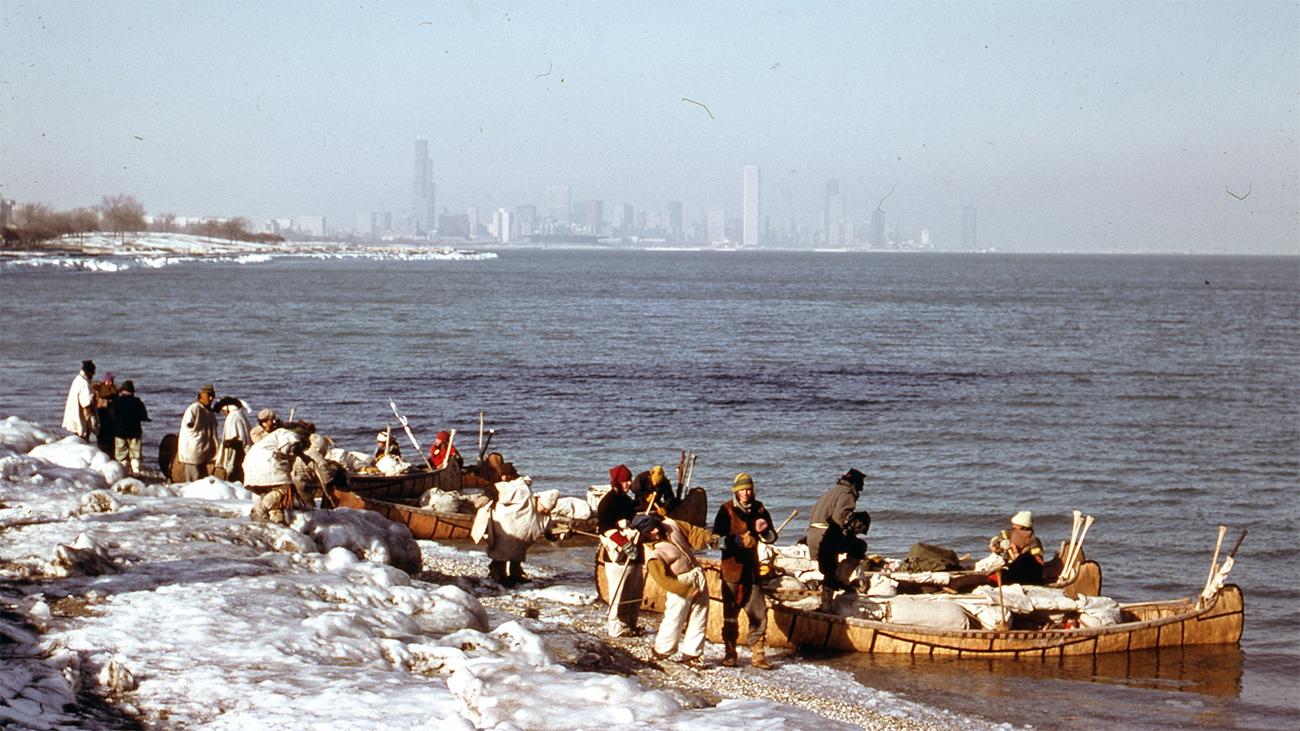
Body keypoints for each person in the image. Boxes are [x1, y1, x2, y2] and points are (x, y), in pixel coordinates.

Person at [712, 471, 777, 669]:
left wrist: (764, 530)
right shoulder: (726, 510)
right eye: (742, 489)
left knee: (759, 613)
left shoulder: (759, 509)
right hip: (731, 571)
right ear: (736, 491)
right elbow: (714, 541)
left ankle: (758, 655)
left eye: (749, 489)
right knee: (730, 614)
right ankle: (730, 653)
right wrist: (736, 541)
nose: (746, 493)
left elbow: (772, 537)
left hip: (753, 572)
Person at [644, 515, 707, 667]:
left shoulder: (671, 526)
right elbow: (663, 580)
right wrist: (685, 590)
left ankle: (692, 654)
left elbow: (693, 533)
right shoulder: (653, 554)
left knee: (700, 615)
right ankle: (662, 651)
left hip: (697, 574)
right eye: (649, 531)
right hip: (680, 583)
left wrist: (711, 539)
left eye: (655, 526)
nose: (655, 531)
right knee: (675, 617)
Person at [806, 468, 870, 608]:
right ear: (855, 483)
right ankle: (841, 579)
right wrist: (851, 531)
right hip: (826, 535)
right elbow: (839, 518)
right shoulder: (847, 494)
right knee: (859, 546)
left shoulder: (833, 491)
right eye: (862, 483)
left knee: (829, 571)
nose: (863, 487)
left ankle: (826, 603)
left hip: (813, 535)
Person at [597, 463, 645, 638]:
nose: (629, 483)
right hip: (615, 555)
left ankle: (630, 624)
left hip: (633, 553)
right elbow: (604, 527)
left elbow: (633, 517)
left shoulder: (626, 500)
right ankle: (615, 628)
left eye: (629, 480)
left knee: (634, 591)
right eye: (625, 481)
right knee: (619, 591)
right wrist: (624, 542)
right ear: (617, 482)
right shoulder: (607, 502)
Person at [482, 467, 548, 586]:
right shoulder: (522, 486)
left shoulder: (515, 487)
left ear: (509, 476)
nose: (502, 478)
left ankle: (502, 575)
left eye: (504, 475)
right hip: (520, 523)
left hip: (513, 523)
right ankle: (512, 574)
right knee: (516, 550)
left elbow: (494, 490)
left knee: (503, 549)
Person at [243, 423, 319, 524]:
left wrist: (304, 457)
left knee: (272, 497)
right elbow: (289, 445)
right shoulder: (287, 433)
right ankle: (259, 511)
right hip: (267, 464)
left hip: (252, 466)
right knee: (284, 490)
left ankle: (277, 521)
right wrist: (298, 449)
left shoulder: (270, 439)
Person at [988, 511, 1046, 585]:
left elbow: (1038, 560)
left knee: (1023, 560)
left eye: (1016, 524)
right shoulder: (1010, 534)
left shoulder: (1033, 541)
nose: (1013, 526)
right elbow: (1006, 556)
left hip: (1027, 571)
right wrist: (1000, 552)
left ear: (1022, 525)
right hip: (1021, 568)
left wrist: (1015, 554)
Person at [175, 384, 218, 482]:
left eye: (212, 396)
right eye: (209, 395)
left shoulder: (209, 411)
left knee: (201, 478)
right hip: (193, 450)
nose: (211, 398)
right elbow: (188, 424)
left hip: (203, 451)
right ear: (201, 395)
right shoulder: (195, 408)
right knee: (194, 479)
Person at [110, 380, 150, 475]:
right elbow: (143, 416)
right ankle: (136, 473)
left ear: (122, 390)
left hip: (119, 433)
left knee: (121, 456)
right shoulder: (137, 401)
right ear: (132, 391)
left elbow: (112, 416)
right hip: (134, 432)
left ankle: (123, 474)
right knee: (135, 455)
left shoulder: (116, 401)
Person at [213, 397, 252, 482]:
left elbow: (237, 439)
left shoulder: (233, 416)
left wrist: (227, 443)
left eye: (223, 411)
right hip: (241, 453)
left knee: (234, 477)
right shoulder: (239, 414)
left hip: (237, 455)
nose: (223, 413)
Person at [61, 359, 97, 440]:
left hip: (73, 414)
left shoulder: (77, 380)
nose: (93, 375)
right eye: (93, 373)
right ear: (89, 372)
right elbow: (86, 403)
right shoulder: (84, 383)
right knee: (82, 438)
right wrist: (92, 419)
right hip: (79, 416)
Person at [92, 373, 118, 456]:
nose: (110, 383)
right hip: (103, 416)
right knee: (103, 439)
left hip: (111, 419)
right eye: (108, 381)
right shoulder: (101, 390)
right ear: (105, 381)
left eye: (111, 381)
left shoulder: (114, 391)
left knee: (110, 440)